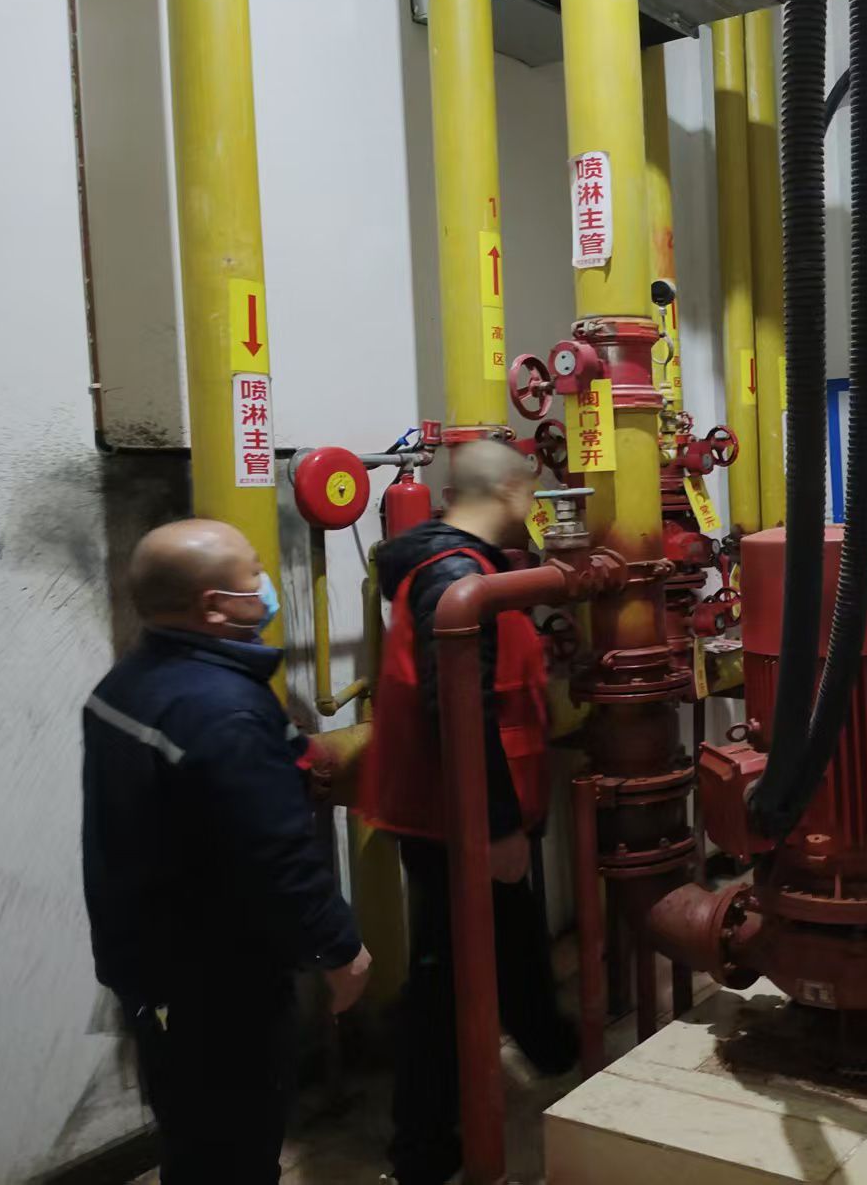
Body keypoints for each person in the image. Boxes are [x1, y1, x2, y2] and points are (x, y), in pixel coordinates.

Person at [82, 519, 370, 1184]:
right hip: (218, 982)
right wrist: (341, 949)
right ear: (214, 605)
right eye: (253, 573)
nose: (264, 584)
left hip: (150, 963)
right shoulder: (223, 710)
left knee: (192, 1136)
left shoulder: (123, 685)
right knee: (235, 1146)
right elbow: (274, 854)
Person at [357, 439, 578, 1184]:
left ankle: (554, 1050)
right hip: (453, 819)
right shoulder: (454, 578)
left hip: (464, 811)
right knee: (445, 980)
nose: (534, 506)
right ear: (511, 488)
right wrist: (497, 826)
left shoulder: (465, 568)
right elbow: (458, 708)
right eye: (532, 492)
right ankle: (421, 1151)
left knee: (509, 943)